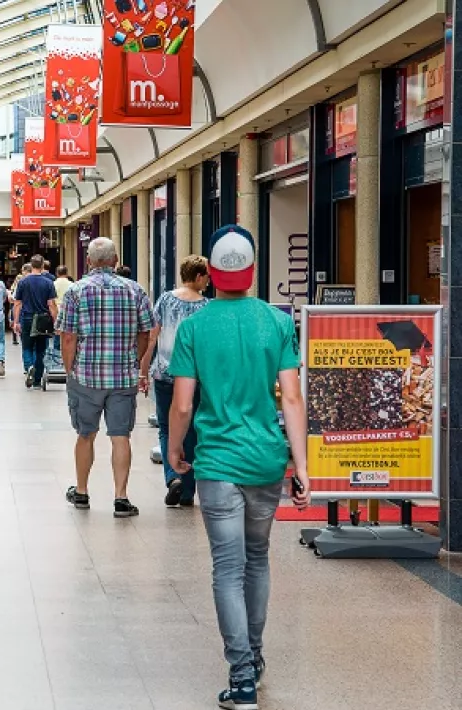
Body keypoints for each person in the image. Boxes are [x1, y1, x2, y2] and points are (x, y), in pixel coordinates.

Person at [166, 225, 310, 710]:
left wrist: (174, 448)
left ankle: (242, 677)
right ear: (250, 271)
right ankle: (257, 654)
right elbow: (291, 396)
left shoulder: (193, 328)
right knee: (257, 558)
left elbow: (183, 405)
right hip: (266, 460)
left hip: (218, 462)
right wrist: (302, 466)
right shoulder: (276, 322)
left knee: (227, 567)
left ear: (212, 272)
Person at [57, 238, 154, 519]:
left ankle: (83, 492)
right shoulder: (135, 290)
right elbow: (145, 332)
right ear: (115, 261)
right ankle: (121, 498)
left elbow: (68, 337)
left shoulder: (75, 292)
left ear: (88, 261)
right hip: (123, 378)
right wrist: (133, 362)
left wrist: (69, 369)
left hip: (85, 376)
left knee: (85, 434)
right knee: (120, 436)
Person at [140, 255, 210, 508]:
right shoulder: (207, 306)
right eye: (207, 276)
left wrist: (143, 369)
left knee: (166, 427)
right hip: (194, 377)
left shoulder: (165, 300)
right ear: (199, 276)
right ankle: (188, 489)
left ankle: (173, 478)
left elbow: (151, 337)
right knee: (191, 430)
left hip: (164, 374)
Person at [14, 255, 58, 389]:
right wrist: (55, 321)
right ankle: (37, 380)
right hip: (43, 319)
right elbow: (51, 304)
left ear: (31, 265)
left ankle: (29, 367)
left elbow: (18, 303)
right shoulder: (48, 282)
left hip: (26, 317)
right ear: (43, 266)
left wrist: (16, 321)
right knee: (41, 349)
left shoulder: (23, 282)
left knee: (27, 346)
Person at [9, 264, 31, 346]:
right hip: (39, 316)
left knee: (26, 344)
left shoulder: (21, 284)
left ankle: (29, 358)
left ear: (25, 271)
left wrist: (15, 321)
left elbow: (16, 302)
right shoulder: (46, 282)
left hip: (25, 314)